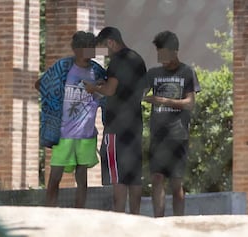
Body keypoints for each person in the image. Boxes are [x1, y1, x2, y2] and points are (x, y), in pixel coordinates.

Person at [35, 31, 106, 208]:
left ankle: (79, 212)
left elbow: (107, 93)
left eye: (93, 48)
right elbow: (40, 84)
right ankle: (50, 210)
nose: (91, 52)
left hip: (86, 133)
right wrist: (52, 102)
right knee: (55, 175)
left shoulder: (97, 71)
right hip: (63, 132)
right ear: (77, 49)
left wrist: (96, 93)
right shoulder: (63, 67)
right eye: (87, 48)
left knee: (82, 178)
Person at [84, 27, 147, 214]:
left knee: (116, 174)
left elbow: (111, 90)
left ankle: (118, 215)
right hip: (135, 122)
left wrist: (94, 88)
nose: (106, 52)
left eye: (105, 47)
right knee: (134, 174)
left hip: (116, 126)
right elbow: (141, 89)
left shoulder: (117, 60)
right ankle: (136, 215)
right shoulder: (137, 59)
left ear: (111, 42)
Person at [142, 30, 198, 217]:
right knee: (157, 178)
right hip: (158, 135)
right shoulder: (153, 73)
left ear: (175, 51)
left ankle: (178, 223)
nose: (161, 58)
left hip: (178, 135)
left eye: (164, 54)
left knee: (176, 183)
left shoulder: (187, 72)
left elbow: (190, 103)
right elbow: (138, 93)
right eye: (158, 54)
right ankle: (159, 221)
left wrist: (163, 101)